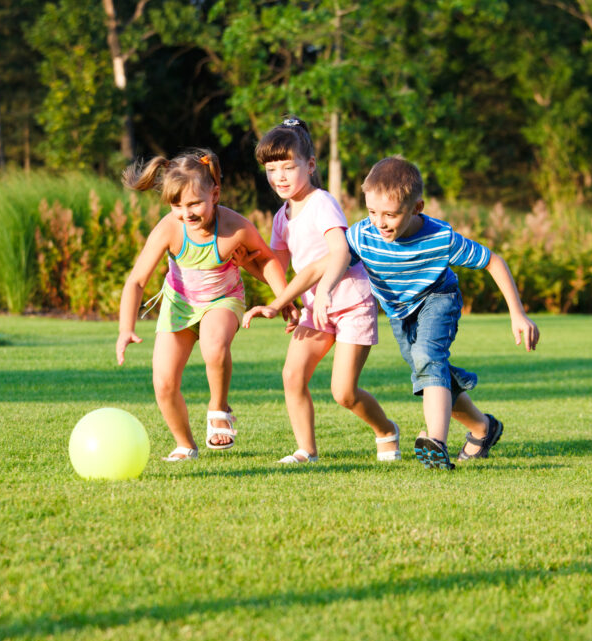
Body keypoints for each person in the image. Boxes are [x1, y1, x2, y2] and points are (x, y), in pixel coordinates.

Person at [245, 156, 539, 470]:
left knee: (428, 357)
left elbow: (493, 260)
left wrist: (517, 313)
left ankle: (436, 444)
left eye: (391, 214)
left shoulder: (441, 239)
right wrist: (279, 303)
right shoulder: (364, 234)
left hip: (438, 298)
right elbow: (321, 265)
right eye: (372, 212)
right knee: (431, 372)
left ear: (417, 208)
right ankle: (483, 428)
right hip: (400, 313)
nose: (381, 222)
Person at [117, 149, 293, 462]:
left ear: (215, 194)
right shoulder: (170, 228)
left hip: (223, 301)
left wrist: (284, 299)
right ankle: (185, 444)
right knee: (164, 383)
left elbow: (266, 260)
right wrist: (125, 329)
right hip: (180, 306)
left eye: (195, 203)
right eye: (177, 205)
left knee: (213, 346)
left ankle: (218, 407)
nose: (187, 213)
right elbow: (136, 281)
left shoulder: (234, 227)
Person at [252, 117, 399, 464]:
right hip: (315, 307)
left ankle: (386, 430)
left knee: (343, 392)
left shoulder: (322, 203)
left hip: (349, 301)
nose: (281, 177)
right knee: (292, 374)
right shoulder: (280, 217)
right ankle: (306, 450)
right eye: (272, 170)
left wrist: (327, 290)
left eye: (289, 167)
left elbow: (340, 251)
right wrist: (281, 303)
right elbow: (276, 265)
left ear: (311, 165)